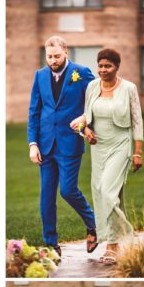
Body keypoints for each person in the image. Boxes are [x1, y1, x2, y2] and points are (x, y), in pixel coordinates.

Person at [67, 48, 144, 264]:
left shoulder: (129, 88)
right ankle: (115, 239)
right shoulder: (92, 86)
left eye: (108, 66)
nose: (103, 70)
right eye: (100, 66)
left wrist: (138, 152)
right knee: (100, 192)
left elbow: (137, 120)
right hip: (98, 146)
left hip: (121, 144)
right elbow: (88, 115)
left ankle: (115, 244)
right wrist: (84, 129)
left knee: (108, 190)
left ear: (117, 67)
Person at [28, 36, 97, 256]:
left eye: (57, 56)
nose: (53, 60)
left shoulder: (82, 73)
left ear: (65, 52)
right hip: (45, 144)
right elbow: (34, 112)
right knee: (46, 196)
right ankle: (51, 244)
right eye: (49, 56)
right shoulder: (39, 76)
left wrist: (85, 121)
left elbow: (95, 102)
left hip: (70, 142)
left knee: (68, 190)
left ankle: (93, 223)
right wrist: (33, 143)